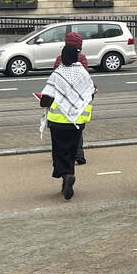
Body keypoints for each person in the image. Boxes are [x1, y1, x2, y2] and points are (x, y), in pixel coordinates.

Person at [39, 44, 96, 200]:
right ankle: (69, 174)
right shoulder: (83, 74)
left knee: (59, 150)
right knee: (72, 149)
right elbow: (90, 94)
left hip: (58, 121)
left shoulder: (58, 74)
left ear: (62, 57)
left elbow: (46, 99)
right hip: (78, 120)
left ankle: (66, 176)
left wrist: (43, 102)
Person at [54, 32, 90, 165]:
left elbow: (55, 75)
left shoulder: (59, 59)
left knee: (63, 128)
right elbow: (85, 77)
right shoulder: (82, 59)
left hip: (63, 99)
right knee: (77, 127)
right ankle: (79, 154)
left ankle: (65, 154)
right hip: (79, 99)